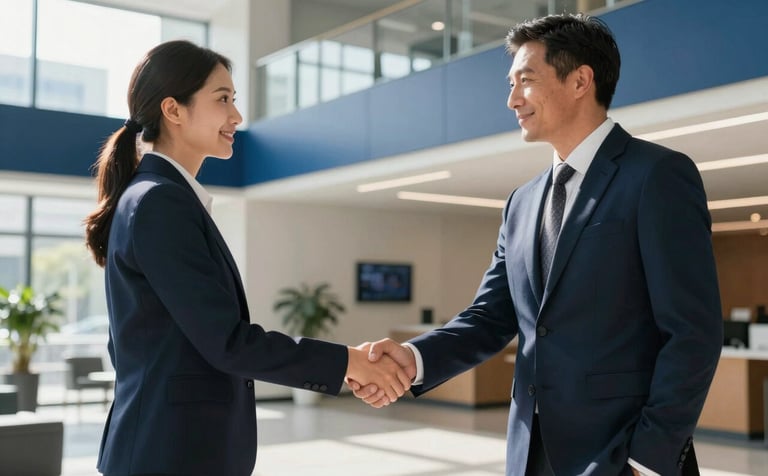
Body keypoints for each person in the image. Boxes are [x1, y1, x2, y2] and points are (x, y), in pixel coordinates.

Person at [350, 13, 722, 476]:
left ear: (581, 80)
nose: (511, 100)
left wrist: (646, 460)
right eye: (511, 84)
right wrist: (413, 357)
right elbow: (491, 316)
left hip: (622, 452)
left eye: (525, 81)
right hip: (532, 453)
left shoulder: (657, 176)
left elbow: (693, 333)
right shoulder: (522, 202)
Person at [84, 40, 411, 476]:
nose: (236, 116)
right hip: (169, 454)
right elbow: (226, 342)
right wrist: (348, 362)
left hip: (170, 448)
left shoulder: (159, 198)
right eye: (223, 100)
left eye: (234, 100)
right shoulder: (160, 202)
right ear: (174, 110)